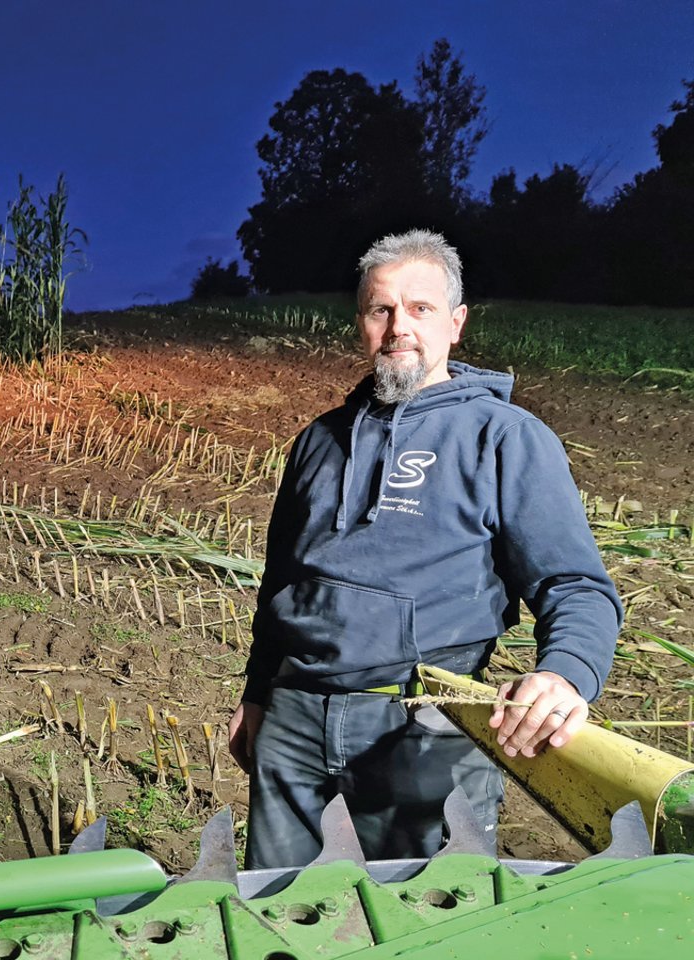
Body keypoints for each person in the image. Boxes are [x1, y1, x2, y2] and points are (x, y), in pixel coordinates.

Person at [228, 229, 622, 869]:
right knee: (278, 910)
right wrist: (257, 694)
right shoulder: (318, 442)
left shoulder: (504, 437)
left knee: (422, 921)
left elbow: (575, 586)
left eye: (420, 308)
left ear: (456, 323)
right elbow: (282, 582)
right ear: (361, 322)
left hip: (425, 724)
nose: (398, 327)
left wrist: (564, 672)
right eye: (381, 309)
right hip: (294, 719)